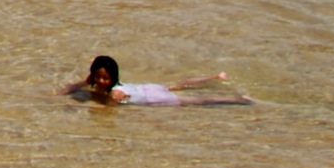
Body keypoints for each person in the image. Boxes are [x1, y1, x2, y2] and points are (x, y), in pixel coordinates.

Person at [63, 56, 250, 106]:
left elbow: (108, 111)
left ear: (113, 77)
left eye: (105, 77)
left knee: (198, 100)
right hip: (147, 88)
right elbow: (69, 89)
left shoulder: (114, 93)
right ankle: (215, 77)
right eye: (97, 76)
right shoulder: (105, 84)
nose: (101, 81)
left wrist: (82, 105)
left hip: (152, 98)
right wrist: (84, 82)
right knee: (179, 84)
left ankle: (239, 99)